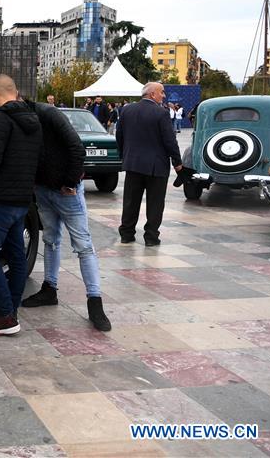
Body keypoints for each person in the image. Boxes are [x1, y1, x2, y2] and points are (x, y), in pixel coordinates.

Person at [18, 98, 111, 331]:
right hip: (43, 189)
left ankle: (95, 301)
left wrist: (70, 182)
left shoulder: (49, 114)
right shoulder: (22, 119)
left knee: (83, 245)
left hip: (65, 191)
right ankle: (50, 289)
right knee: (50, 240)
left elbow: (76, 147)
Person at [0, 75, 42, 336]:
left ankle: (5, 316)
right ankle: (11, 310)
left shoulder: (1, 119)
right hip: (22, 200)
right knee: (15, 256)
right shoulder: (33, 119)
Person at [116, 82, 183, 246]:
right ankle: (151, 237)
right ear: (152, 94)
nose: (164, 96)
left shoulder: (127, 110)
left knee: (130, 201)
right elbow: (169, 140)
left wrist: (124, 156)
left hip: (133, 164)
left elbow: (119, 136)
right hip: (156, 166)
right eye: (162, 92)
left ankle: (127, 234)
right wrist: (177, 162)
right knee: (155, 203)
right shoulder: (161, 113)